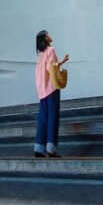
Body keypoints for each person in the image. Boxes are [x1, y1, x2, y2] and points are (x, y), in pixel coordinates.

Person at [34, 29, 69, 158]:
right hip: (51, 89)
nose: (50, 34)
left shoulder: (40, 55)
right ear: (46, 38)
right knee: (53, 119)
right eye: (48, 33)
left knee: (43, 119)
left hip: (41, 91)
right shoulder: (51, 51)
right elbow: (52, 68)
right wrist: (63, 61)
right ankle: (51, 149)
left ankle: (38, 148)